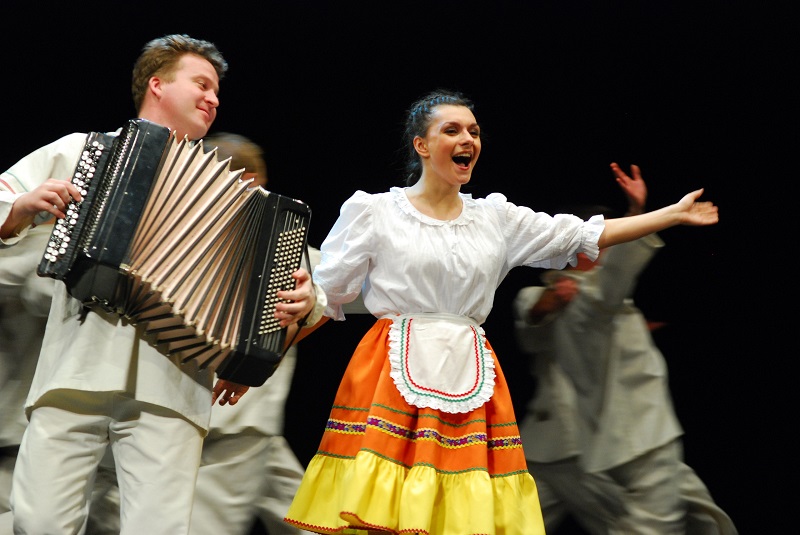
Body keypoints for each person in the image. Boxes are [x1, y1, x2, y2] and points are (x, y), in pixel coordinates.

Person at [281, 89, 720, 535]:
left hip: (468, 373)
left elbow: (582, 235)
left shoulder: (494, 218)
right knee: (386, 509)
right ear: (422, 145)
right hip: (392, 372)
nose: (467, 139)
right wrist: (263, 360)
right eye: (452, 130)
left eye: (473, 131)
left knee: (459, 514)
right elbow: (325, 295)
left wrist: (669, 215)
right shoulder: (375, 211)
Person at [0, 34, 318, 535]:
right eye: (202, 84)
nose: (213, 99)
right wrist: (20, 208)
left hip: (174, 383)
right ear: (157, 85)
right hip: (75, 367)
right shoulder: (83, 150)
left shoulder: (243, 203)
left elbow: (293, 290)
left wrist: (299, 305)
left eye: (217, 91)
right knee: (37, 522)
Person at [512, 164, 737, 534]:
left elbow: (610, 282)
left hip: (613, 436)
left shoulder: (596, 298)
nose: (610, 245)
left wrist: (635, 213)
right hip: (606, 438)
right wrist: (639, 212)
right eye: (606, 238)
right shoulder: (581, 296)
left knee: (691, 513)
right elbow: (537, 316)